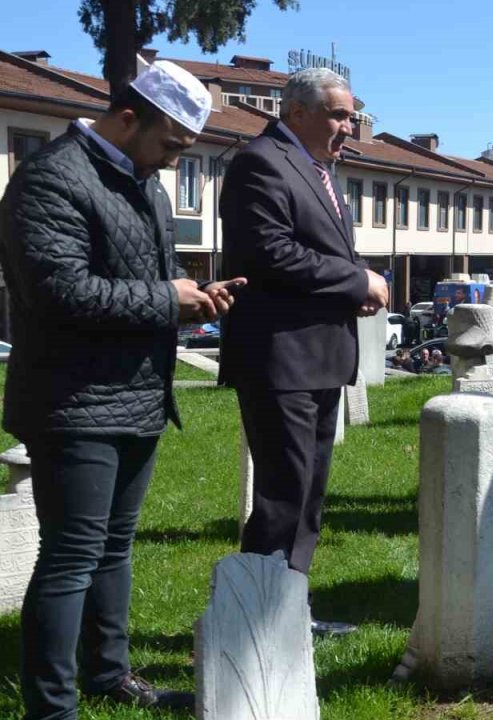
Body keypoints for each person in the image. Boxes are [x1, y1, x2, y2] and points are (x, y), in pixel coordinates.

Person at [0, 60, 242, 718]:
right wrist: (169, 298)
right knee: (72, 555)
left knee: (114, 548)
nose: (172, 162)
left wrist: (193, 302)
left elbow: (149, 287)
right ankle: (52, 707)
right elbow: (59, 291)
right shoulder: (52, 178)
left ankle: (108, 676)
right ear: (130, 117)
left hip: (136, 396)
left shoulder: (145, 183)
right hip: (71, 400)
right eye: (170, 145)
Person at [219, 67, 389, 637]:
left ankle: (287, 611)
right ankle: (252, 618)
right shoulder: (260, 162)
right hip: (280, 358)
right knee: (282, 495)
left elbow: (311, 254)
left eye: (353, 117)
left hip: (318, 355)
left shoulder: (319, 170)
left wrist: (350, 293)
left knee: (307, 496)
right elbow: (271, 254)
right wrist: (356, 282)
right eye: (340, 116)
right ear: (297, 113)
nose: (350, 128)